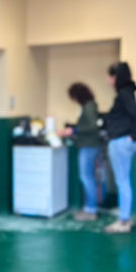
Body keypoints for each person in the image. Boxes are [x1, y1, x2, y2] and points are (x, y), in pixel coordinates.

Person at [103, 62, 136, 234]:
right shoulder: (127, 93)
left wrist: (132, 136)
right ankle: (124, 217)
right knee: (124, 181)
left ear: (116, 77)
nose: (108, 80)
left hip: (121, 142)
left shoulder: (124, 94)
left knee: (122, 181)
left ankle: (123, 220)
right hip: (123, 141)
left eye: (110, 76)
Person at [59, 82, 102, 221]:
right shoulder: (88, 106)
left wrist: (74, 130)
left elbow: (91, 126)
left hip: (88, 146)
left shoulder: (88, 106)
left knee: (86, 177)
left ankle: (90, 210)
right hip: (88, 145)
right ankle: (89, 208)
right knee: (88, 176)